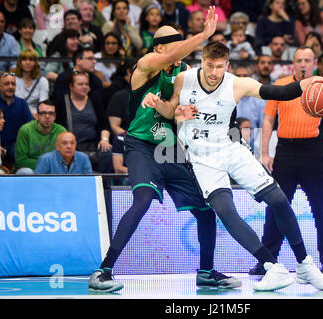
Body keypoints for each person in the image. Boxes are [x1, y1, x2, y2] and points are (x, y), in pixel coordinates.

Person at [143, 41, 323, 291]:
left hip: (230, 148)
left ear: (228, 65)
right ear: (202, 62)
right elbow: (170, 110)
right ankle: (271, 266)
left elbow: (277, 92)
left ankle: (305, 265)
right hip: (202, 158)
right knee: (226, 211)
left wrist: (311, 81)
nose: (214, 73)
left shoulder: (237, 83)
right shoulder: (184, 79)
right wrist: (161, 105)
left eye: (219, 67)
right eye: (209, 66)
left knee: (279, 200)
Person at [88, 7, 242, 293]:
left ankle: (206, 271)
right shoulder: (146, 63)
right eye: (175, 47)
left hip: (170, 149)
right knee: (143, 199)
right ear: (160, 48)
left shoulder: (183, 73)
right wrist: (205, 34)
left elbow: (174, 111)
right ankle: (103, 270)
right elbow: (171, 57)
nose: (180, 53)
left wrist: (179, 111)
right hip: (141, 145)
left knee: (205, 209)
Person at [250, 46, 323, 279]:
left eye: (307, 60)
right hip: (284, 151)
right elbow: (268, 119)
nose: (303, 64)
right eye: (298, 60)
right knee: (276, 208)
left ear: (314, 63)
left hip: (312, 152)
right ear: (292, 63)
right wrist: (264, 152)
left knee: (321, 209)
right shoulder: (282, 84)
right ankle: (268, 261)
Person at [54, 71, 111, 172]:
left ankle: (103, 184)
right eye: (80, 84)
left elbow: (104, 125)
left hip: (92, 144)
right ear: (71, 86)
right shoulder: (62, 101)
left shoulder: (94, 100)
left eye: (86, 84)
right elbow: (57, 125)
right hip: (70, 144)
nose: (84, 87)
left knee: (107, 151)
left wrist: (104, 140)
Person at [0, 72, 33, 167]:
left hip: (15, 145)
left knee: (19, 151)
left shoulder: (22, 103)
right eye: (6, 84)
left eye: (13, 84)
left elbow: (29, 127)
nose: (10, 86)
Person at [14, 100, 67, 174]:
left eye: (51, 113)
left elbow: (65, 158)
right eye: (43, 113)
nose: (47, 116)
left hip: (53, 171)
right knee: (26, 172)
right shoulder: (25, 130)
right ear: (36, 116)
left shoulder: (61, 131)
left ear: (55, 116)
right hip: (31, 169)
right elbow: (21, 161)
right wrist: (47, 164)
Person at [14, 49, 50, 119]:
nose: (28, 62)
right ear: (20, 62)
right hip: (17, 115)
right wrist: (30, 114)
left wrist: (36, 116)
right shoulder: (14, 80)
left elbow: (43, 103)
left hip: (37, 117)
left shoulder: (42, 81)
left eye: (31, 60)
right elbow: (16, 102)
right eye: (24, 60)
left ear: (35, 63)